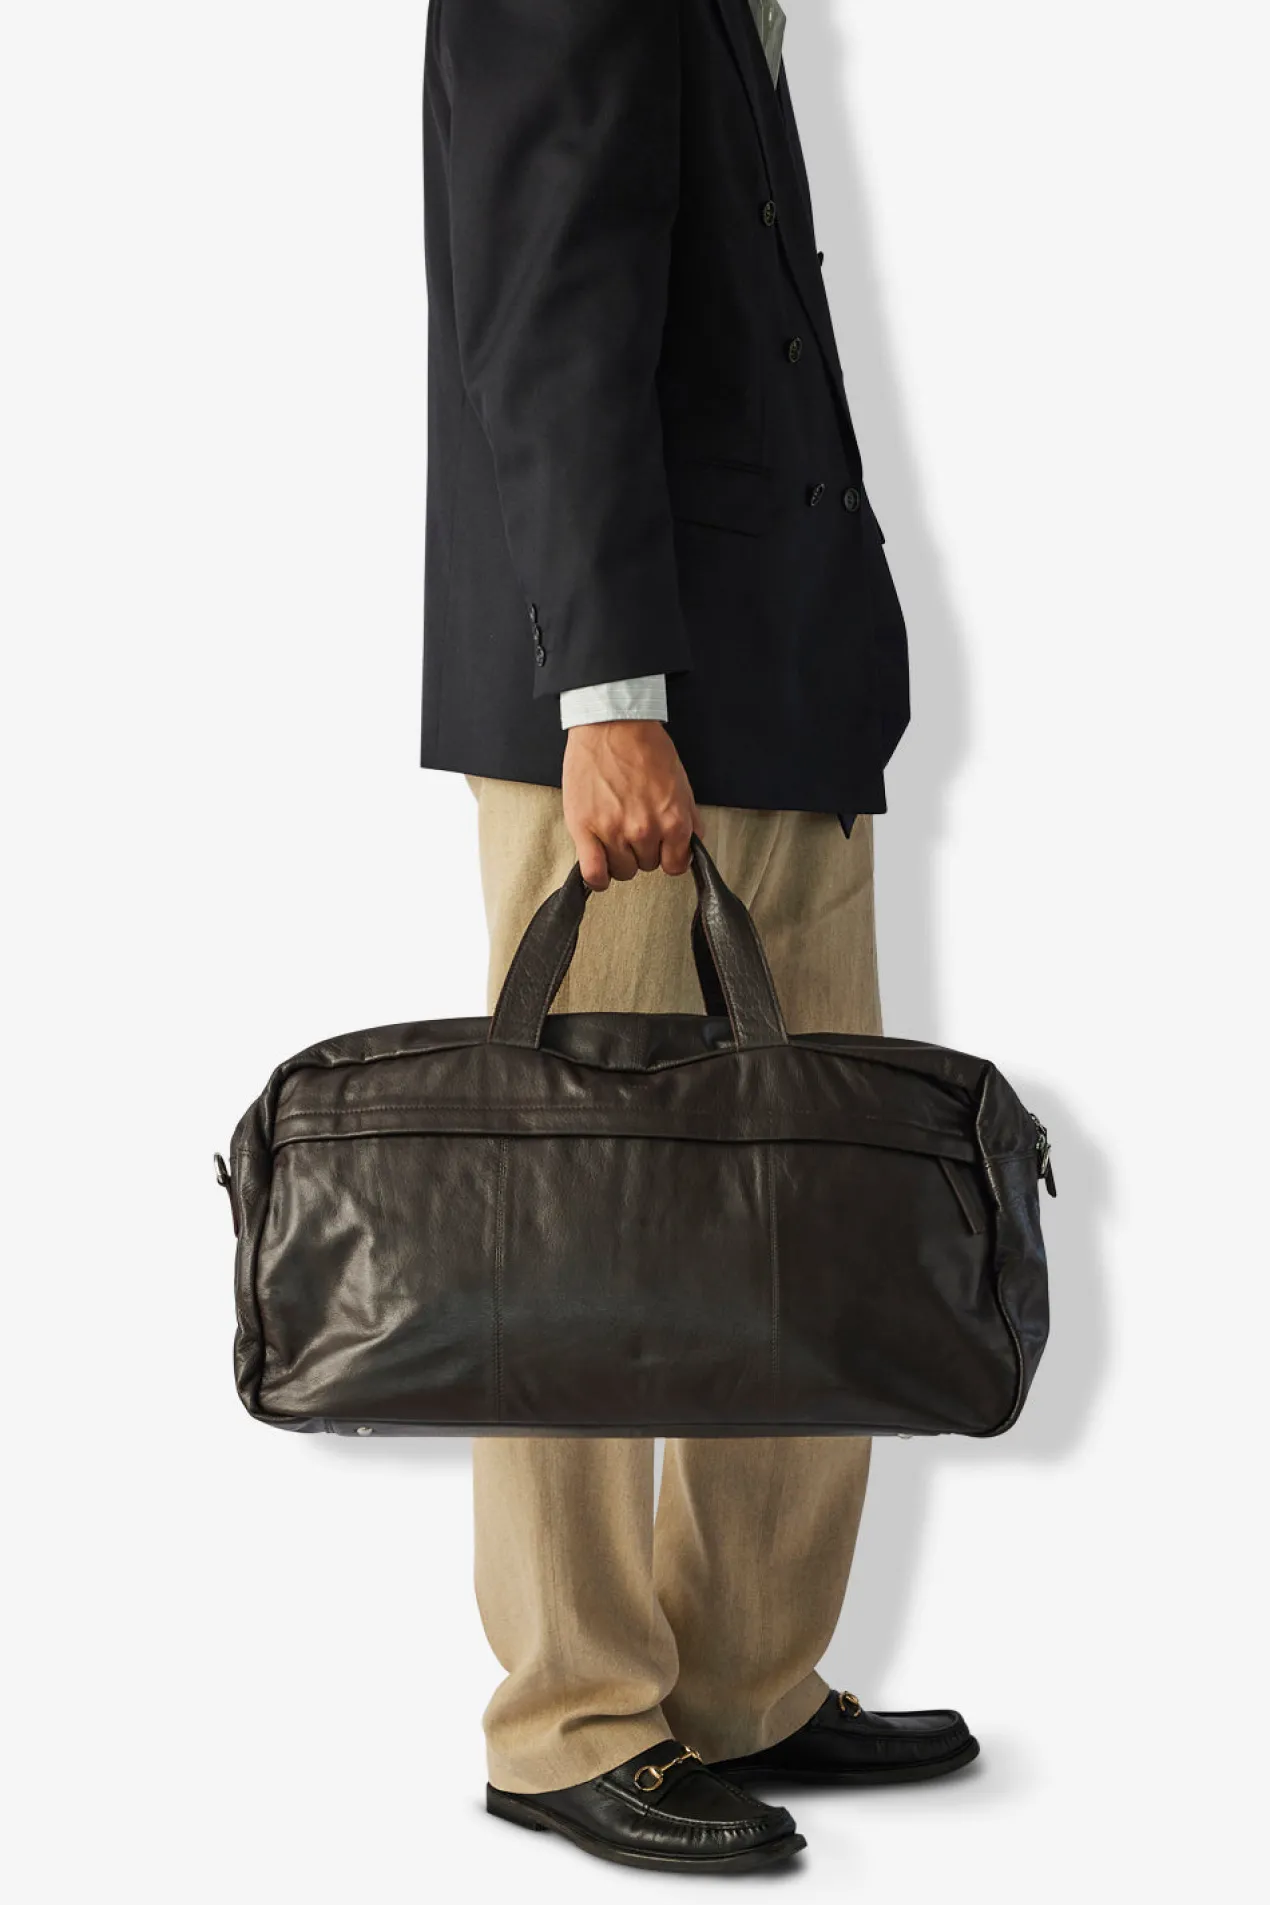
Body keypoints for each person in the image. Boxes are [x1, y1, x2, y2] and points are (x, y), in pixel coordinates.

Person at [420, 0, 976, 1872]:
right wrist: (605, 698)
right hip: (635, 716)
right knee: (581, 1220)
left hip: (777, 695)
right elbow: (544, 307)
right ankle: (570, 1715)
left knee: (797, 1200)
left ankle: (743, 1679)